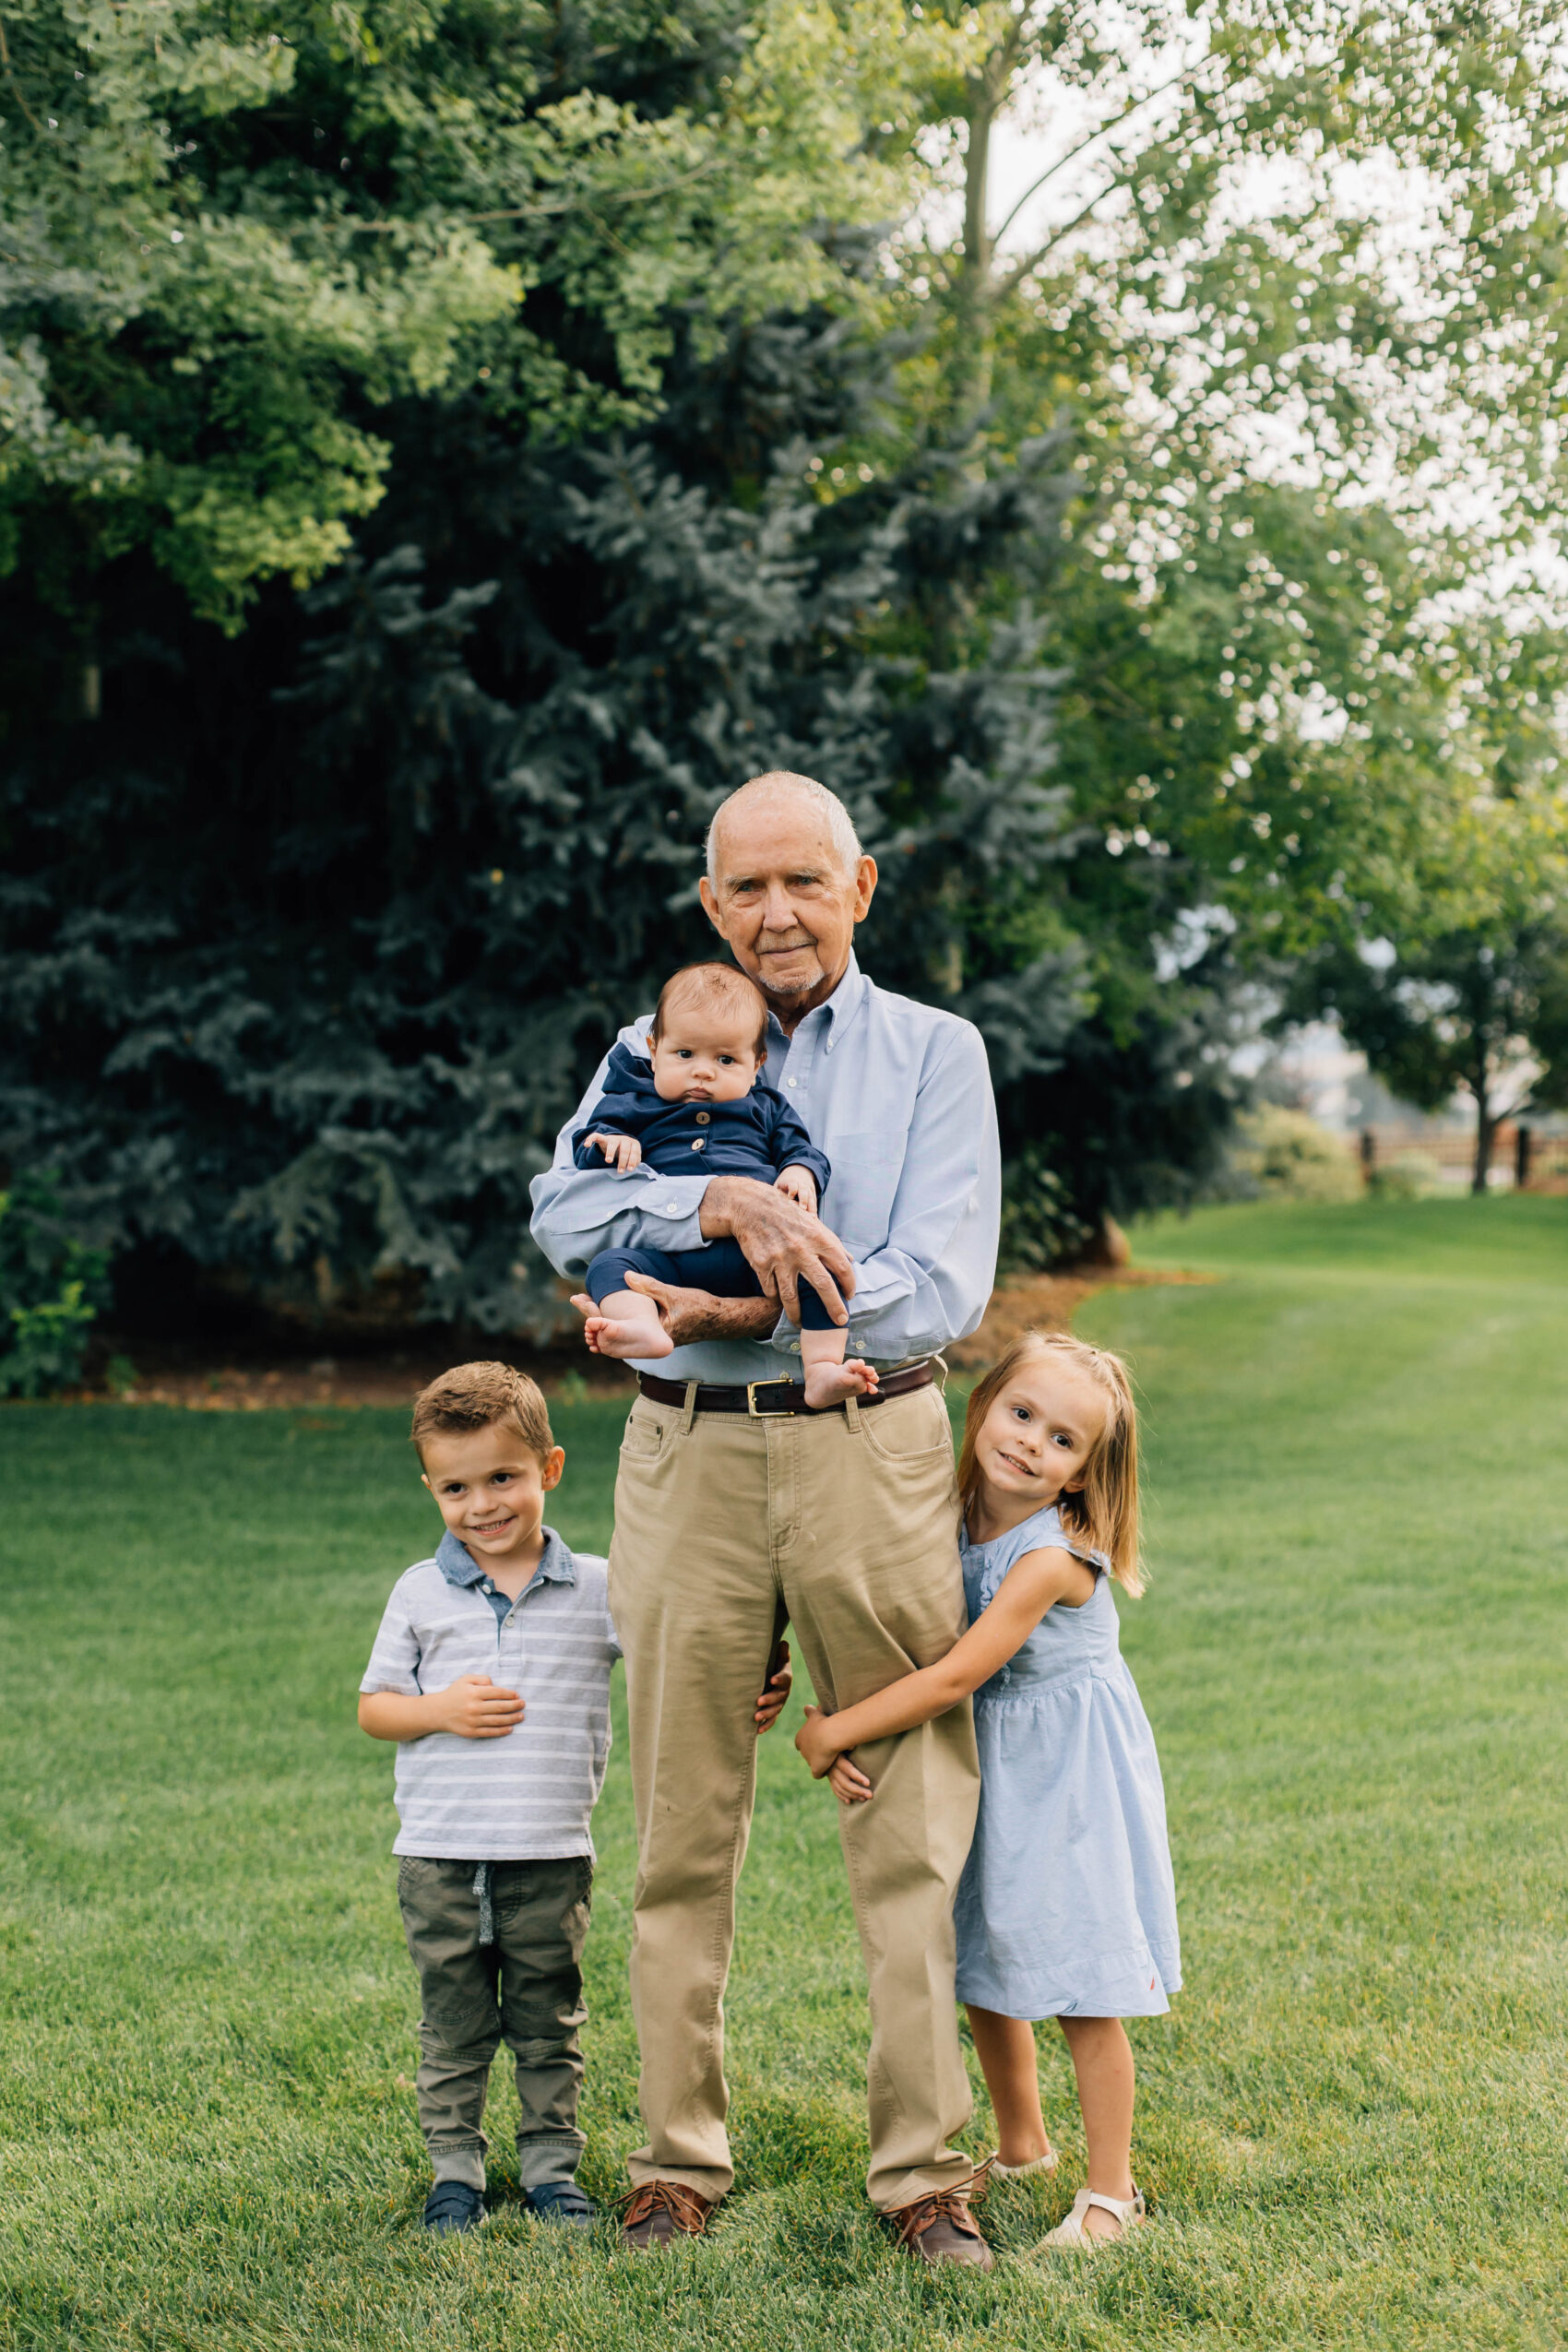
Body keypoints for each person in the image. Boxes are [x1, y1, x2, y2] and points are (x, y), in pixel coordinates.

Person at [529, 771, 1001, 2264]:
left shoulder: (939, 1050)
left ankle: (926, 2176)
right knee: (680, 1814)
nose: (776, 912)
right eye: (747, 887)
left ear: (861, 887)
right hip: (685, 1457)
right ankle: (676, 2159)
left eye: (806, 880)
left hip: (874, 1447)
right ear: (710, 901)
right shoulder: (647, 1044)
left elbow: (940, 1280)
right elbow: (562, 1213)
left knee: (910, 1819)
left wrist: (720, 1289)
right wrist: (720, 1209)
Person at [357, 1359, 796, 2234]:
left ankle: (552, 2168)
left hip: (550, 1856)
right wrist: (440, 1710)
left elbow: (671, 1654)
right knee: (453, 2025)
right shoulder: (420, 1592)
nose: (482, 1505)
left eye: (504, 1478)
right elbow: (375, 1709)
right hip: (439, 1856)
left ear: (549, 1470)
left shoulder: (598, 1586)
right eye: (456, 1487)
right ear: (431, 1489)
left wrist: (751, 1685)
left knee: (547, 2021)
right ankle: (457, 2174)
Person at [796, 1331, 1181, 2253]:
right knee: (984, 1954)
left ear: (1081, 1478)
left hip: (1066, 1772)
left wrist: (832, 1731)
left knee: (1082, 1982)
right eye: (1019, 1414)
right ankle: (1021, 2145)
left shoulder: (1051, 1558)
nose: (1028, 1444)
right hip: (990, 1763)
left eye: (1060, 1441)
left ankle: (1110, 2194)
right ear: (979, 1410)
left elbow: (949, 1678)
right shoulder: (951, 1505)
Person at [573, 958, 877, 1409]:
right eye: (684, 1055)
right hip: (670, 1260)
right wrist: (611, 1142)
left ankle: (822, 1370)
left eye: (725, 1060)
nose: (703, 1072)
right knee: (610, 1266)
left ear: (757, 1065)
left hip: (758, 1261)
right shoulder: (632, 1101)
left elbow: (802, 1149)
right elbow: (586, 1151)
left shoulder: (766, 1107)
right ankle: (643, 1326)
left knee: (820, 1267)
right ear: (653, 1049)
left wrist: (799, 1171)